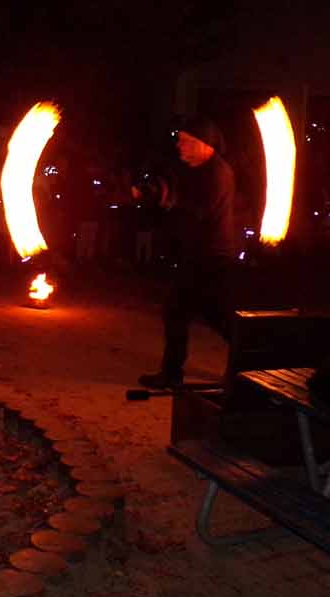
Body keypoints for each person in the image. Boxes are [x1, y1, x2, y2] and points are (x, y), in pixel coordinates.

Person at [138, 115, 239, 390]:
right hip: (195, 256)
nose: (179, 146)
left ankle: (247, 370)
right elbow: (179, 207)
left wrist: (167, 199)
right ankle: (172, 373)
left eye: (184, 141)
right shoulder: (197, 171)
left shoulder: (218, 172)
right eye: (179, 141)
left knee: (221, 318)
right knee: (176, 313)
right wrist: (159, 198)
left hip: (213, 259)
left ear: (203, 143)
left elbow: (198, 211)